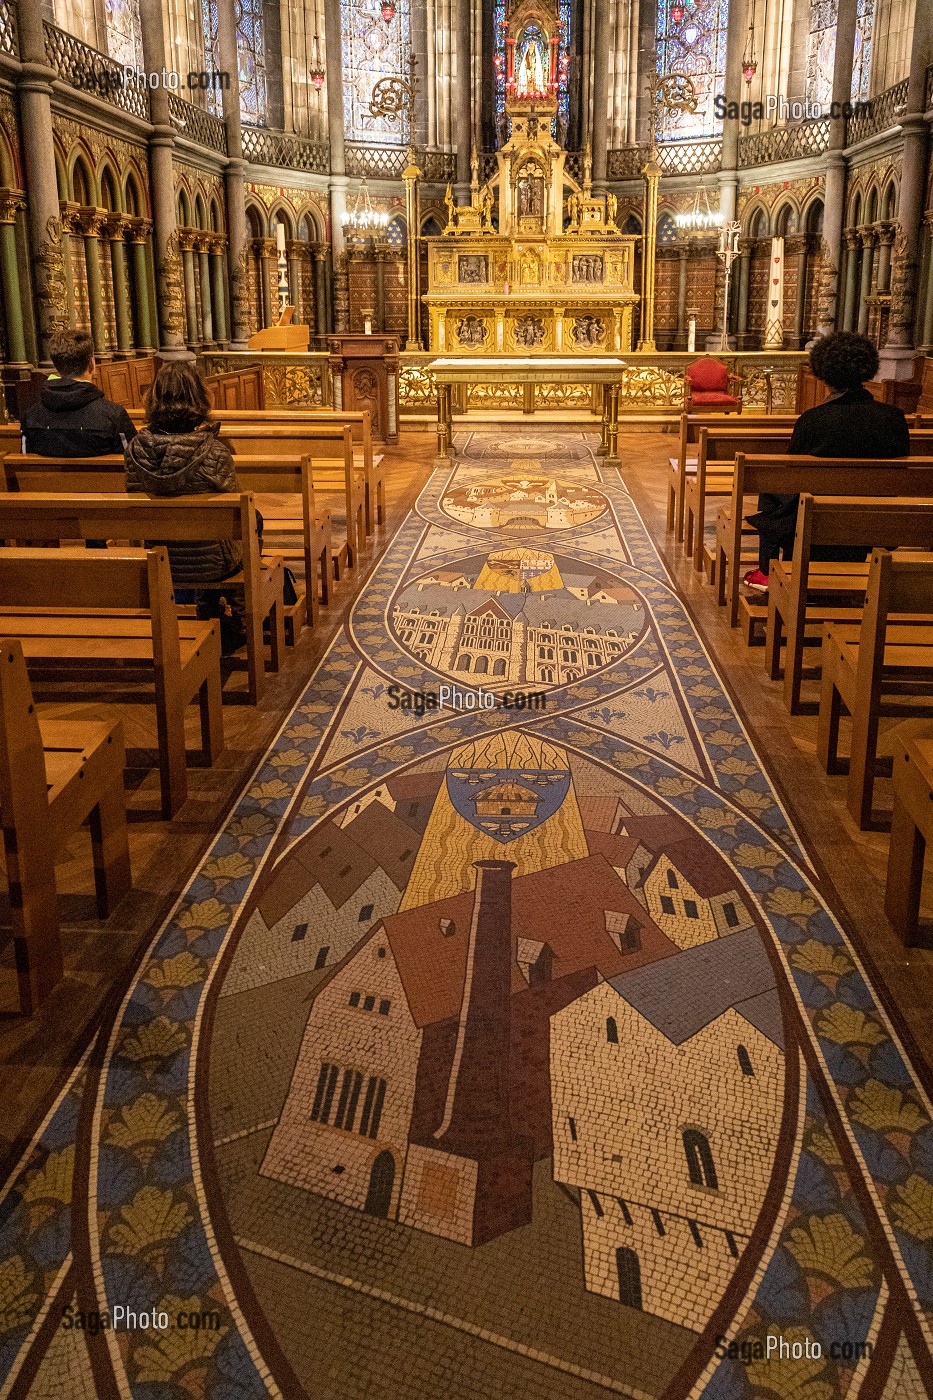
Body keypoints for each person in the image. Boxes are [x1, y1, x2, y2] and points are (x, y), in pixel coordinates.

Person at [743, 332, 911, 593]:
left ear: (823, 372)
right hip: (875, 521)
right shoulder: (893, 418)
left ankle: (768, 569)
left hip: (818, 522)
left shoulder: (813, 419)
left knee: (772, 490)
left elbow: (794, 474)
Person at [125, 362, 247, 651]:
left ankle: (210, 607)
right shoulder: (214, 450)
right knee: (248, 522)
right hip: (213, 565)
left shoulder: (135, 450)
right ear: (200, 399)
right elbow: (234, 516)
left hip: (161, 560)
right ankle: (237, 612)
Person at [21, 329, 137, 457]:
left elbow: (24, 462)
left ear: (56, 365)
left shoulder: (30, 416)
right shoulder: (114, 415)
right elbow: (135, 462)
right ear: (92, 364)